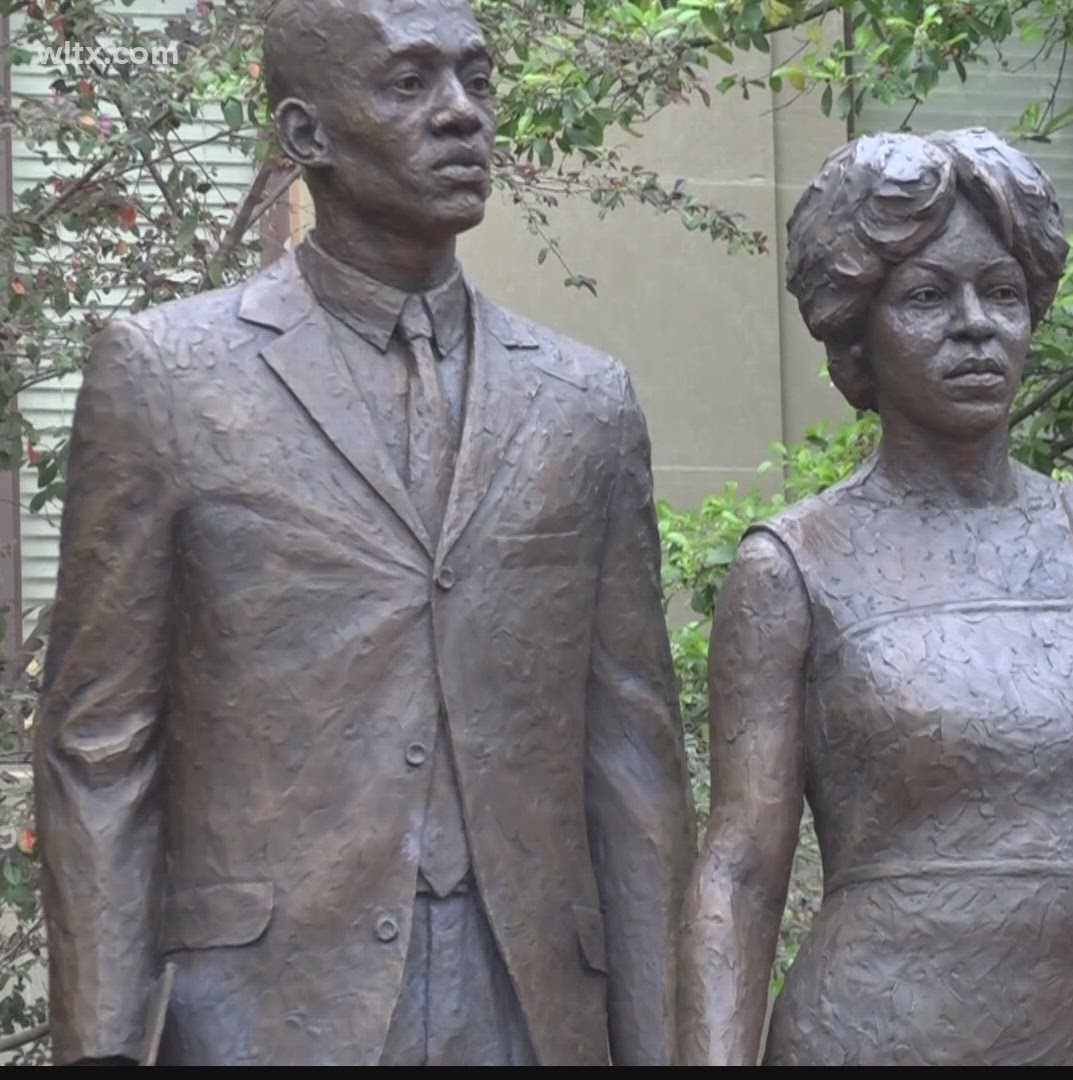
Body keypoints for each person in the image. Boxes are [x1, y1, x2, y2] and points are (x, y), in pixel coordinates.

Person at [33, 0, 692, 1064]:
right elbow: (100, 747)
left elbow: (631, 753)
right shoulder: (166, 377)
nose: (461, 114)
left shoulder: (586, 402)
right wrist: (103, 1049)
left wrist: (666, 1043)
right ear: (307, 135)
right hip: (262, 1003)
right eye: (409, 82)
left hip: (531, 1005)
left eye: (477, 79)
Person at [675, 129, 1073, 1066]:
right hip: (872, 1038)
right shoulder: (794, 565)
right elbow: (738, 877)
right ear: (859, 329)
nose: (976, 325)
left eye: (1004, 293)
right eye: (929, 296)